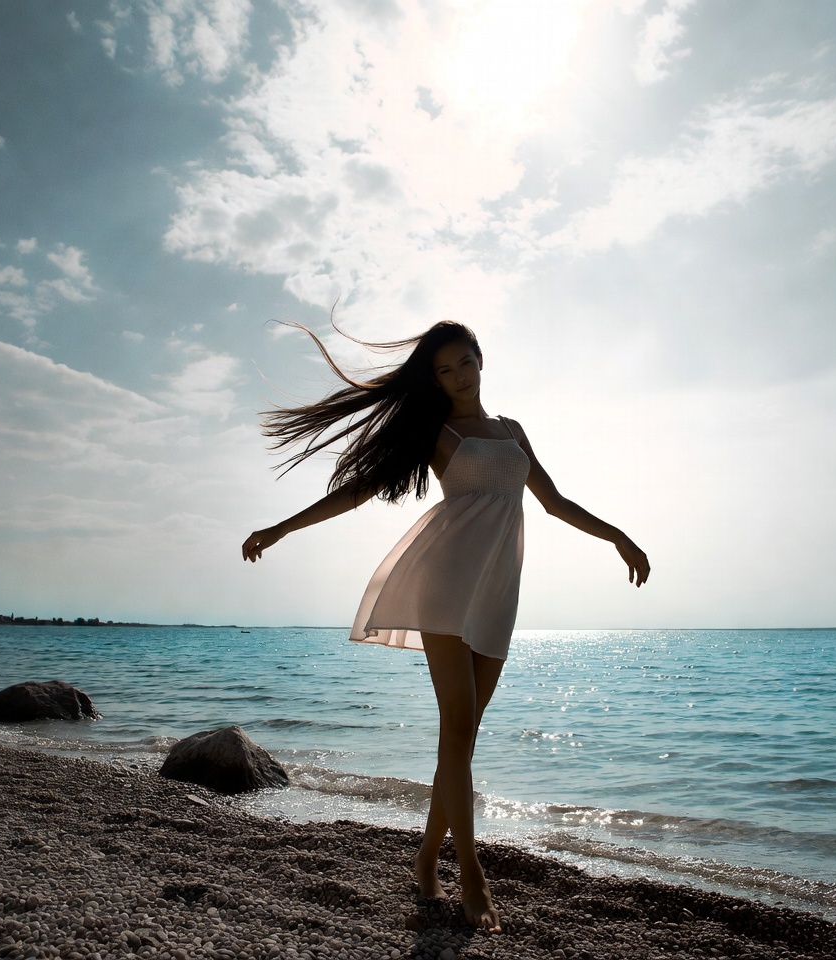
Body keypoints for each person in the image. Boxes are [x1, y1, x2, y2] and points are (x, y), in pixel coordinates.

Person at [242, 320, 649, 932]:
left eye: (465, 363)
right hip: (445, 585)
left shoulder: (512, 433)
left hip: (496, 590)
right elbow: (359, 490)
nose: (459, 376)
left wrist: (617, 535)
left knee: (462, 740)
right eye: (445, 370)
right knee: (456, 731)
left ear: (481, 360)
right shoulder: (438, 432)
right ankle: (472, 874)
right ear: (434, 379)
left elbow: (555, 503)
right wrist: (281, 528)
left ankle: (426, 857)